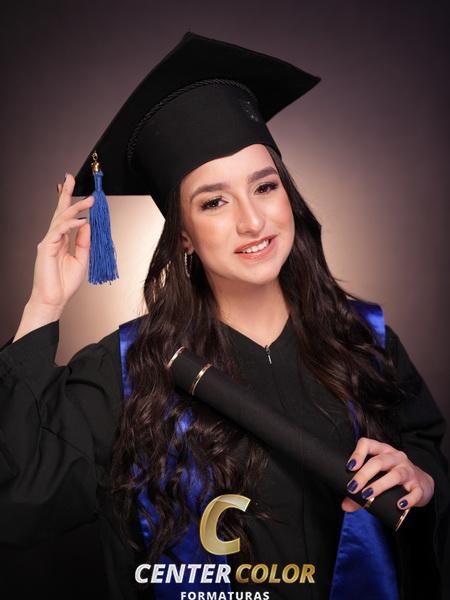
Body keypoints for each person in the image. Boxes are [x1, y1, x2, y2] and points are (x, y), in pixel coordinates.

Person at [0, 31, 449, 600]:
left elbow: (424, 456)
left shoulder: (366, 339)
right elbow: (20, 496)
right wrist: (43, 305)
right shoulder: (129, 368)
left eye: (265, 187)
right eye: (214, 201)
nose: (252, 221)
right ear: (183, 235)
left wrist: (420, 479)